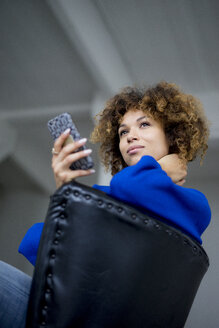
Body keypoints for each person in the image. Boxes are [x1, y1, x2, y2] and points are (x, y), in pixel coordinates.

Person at [0, 81, 211, 327]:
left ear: (173, 135)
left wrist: (160, 170)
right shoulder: (110, 196)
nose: (131, 135)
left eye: (144, 124)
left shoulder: (194, 204)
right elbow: (40, 247)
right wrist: (65, 191)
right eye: (123, 132)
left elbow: (132, 187)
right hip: (63, 312)